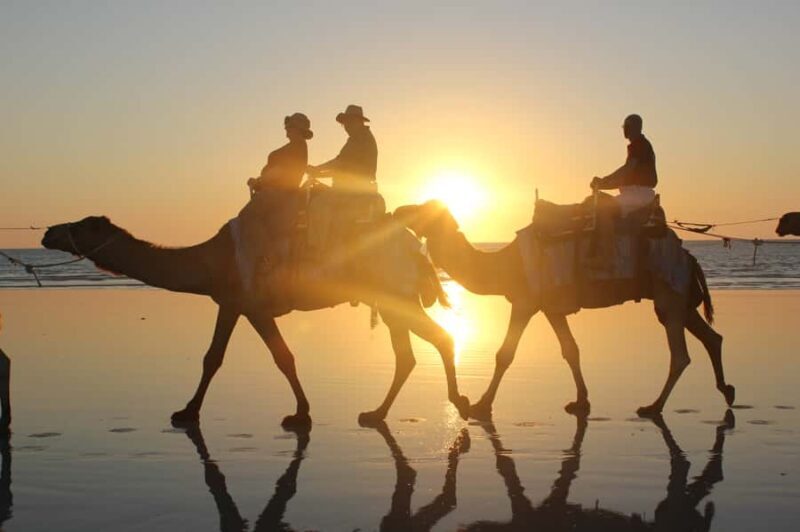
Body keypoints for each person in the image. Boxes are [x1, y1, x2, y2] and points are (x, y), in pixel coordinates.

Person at [235, 113, 313, 296]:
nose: (286, 128)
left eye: (290, 126)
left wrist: (258, 181)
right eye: (287, 126)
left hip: (279, 193)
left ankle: (267, 256)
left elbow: (280, 173)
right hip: (275, 191)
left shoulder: (297, 147)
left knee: (247, 216)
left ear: (297, 129)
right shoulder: (295, 147)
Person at [588, 113, 658, 267]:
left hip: (638, 195)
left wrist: (603, 180)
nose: (624, 130)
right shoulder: (638, 147)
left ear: (632, 128)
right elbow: (624, 179)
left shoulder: (639, 145)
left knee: (603, 209)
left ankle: (606, 257)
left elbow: (626, 170)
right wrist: (602, 185)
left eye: (625, 127)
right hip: (633, 193)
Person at [307, 104, 378, 193]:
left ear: (358, 121)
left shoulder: (360, 139)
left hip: (353, 191)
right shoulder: (361, 137)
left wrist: (317, 169)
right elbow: (343, 168)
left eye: (349, 122)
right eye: (345, 124)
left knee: (316, 202)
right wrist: (318, 173)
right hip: (357, 188)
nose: (346, 127)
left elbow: (339, 163)